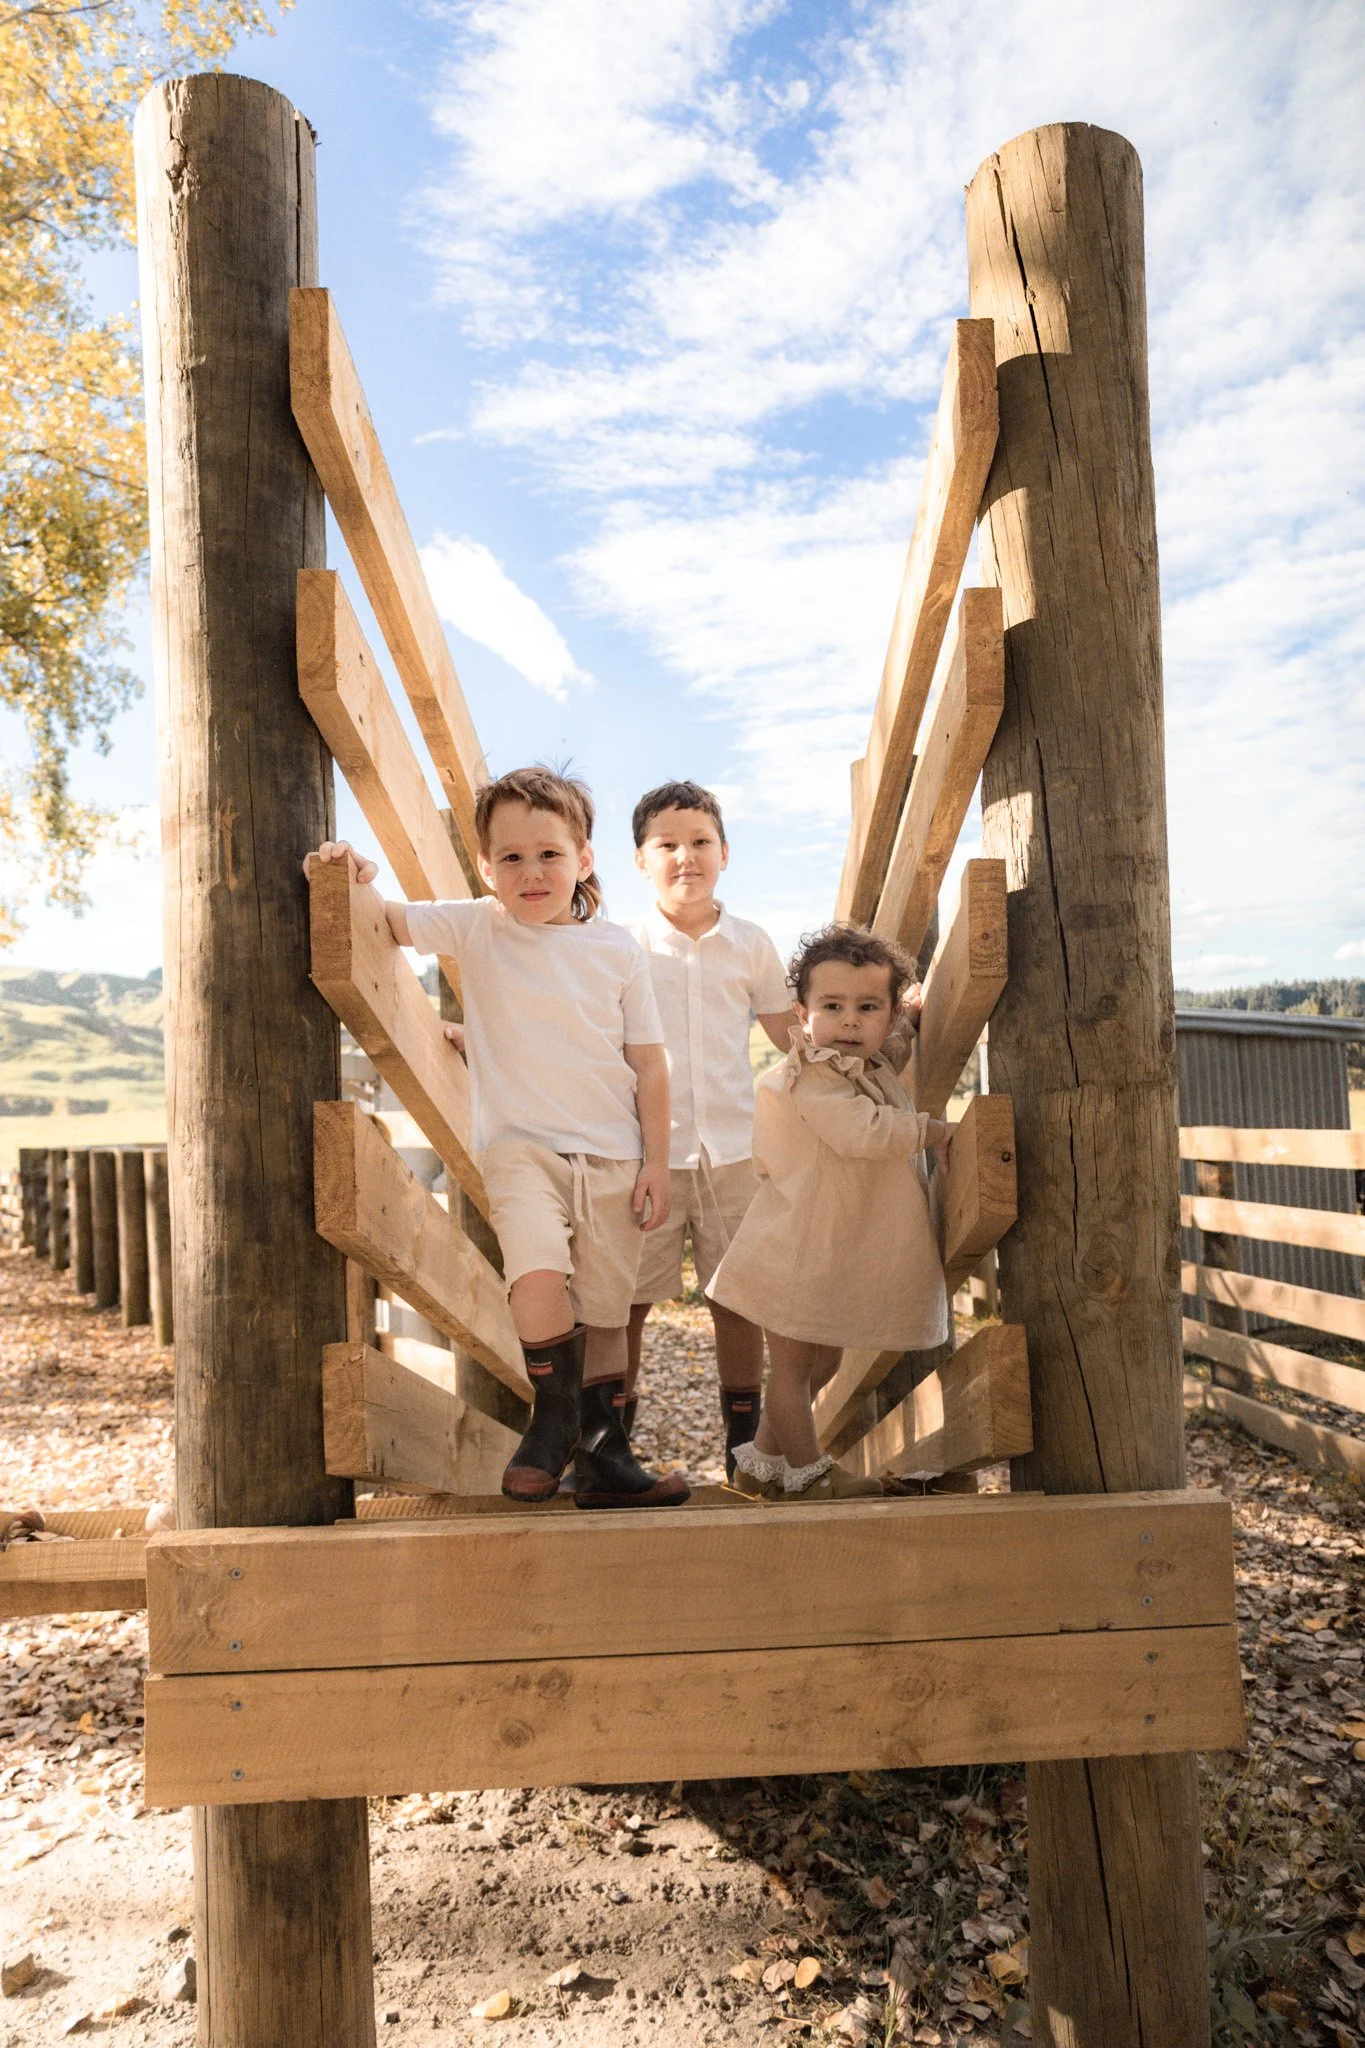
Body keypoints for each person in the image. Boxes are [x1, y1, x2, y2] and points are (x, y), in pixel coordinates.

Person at [305, 766, 688, 1510]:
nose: (530, 871)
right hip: (520, 1149)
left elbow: (647, 1062)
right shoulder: (477, 924)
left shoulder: (615, 949)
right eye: (509, 857)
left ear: (583, 859)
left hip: (612, 1152)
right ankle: (552, 1421)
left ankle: (607, 1461)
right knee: (538, 1279)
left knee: (607, 1315)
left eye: (548, 853)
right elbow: (385, 917)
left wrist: (657, 1165)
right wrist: (349, 869)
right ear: (486, 868)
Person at [706, 923, 953, 1503]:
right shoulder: (809, 1078)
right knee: (792, 1371)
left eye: (868, 1007)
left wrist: (911, 1019)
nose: (849, 1021)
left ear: (888, 1015)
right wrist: (933, 1130)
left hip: (824, 1251)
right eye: (832, 1006)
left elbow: (884, 1055)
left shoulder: (863, 1062)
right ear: (802, 1013)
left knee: (825, 1363)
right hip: (790, 1248)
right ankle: (810, 1473)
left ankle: (759, 1465)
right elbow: (859, 1129)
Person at [623, 781, 794, 1479]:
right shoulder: (621, 945)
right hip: (644, 1155)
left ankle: (742, 1449)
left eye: (699, 842)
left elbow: (792, 1037)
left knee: (737, 1300)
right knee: (625, 1301)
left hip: (732, 1149)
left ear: (724, 853)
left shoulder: (750, 945)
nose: (684, 856)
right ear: (641, 860)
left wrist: (886, 1020)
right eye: (666, 844)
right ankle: (609, 1443)